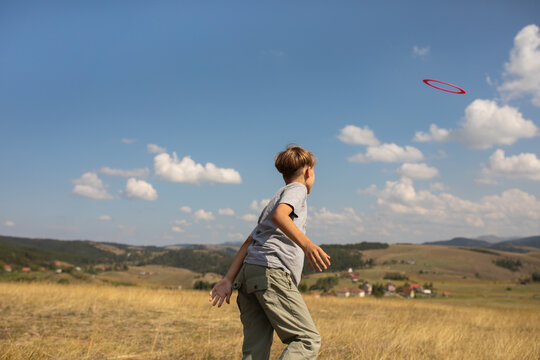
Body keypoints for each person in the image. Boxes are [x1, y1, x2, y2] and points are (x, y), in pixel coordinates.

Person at [209, 145, 331, 360]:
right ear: (308, 171)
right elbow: (280, 217)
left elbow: (249, 241)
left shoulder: (274, 199)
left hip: (249, 275)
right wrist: (308, 245)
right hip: (271, 273)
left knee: (255, 351)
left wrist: (228, 279)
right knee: (307, 340)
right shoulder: (297, 189)